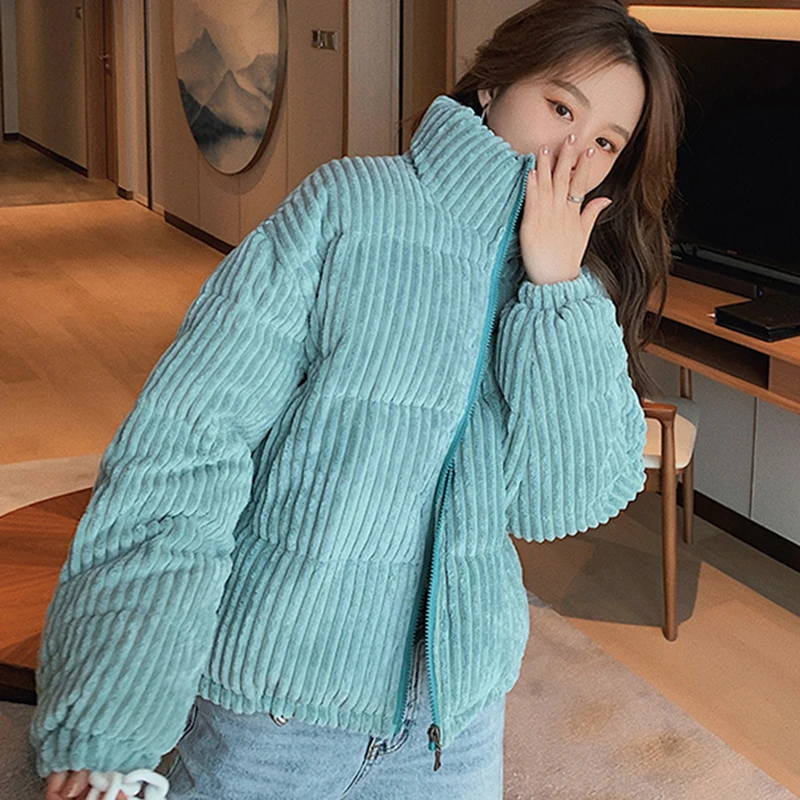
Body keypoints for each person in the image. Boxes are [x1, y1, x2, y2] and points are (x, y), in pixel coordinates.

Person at [35, 0, 684, 797]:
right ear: (491, 86)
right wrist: (113, 709)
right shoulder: (348, 207)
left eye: (607, 142)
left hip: (452, 727)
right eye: (560, 108)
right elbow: (190, 442)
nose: (573, 155)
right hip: (276, 711)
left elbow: (563, 502)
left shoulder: (570, 292)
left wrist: (555, 290)